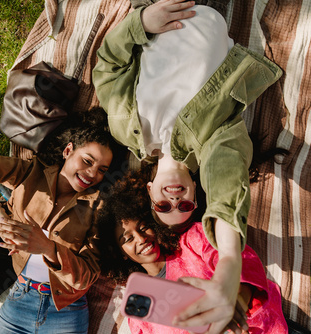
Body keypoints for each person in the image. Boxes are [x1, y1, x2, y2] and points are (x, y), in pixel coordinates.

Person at [92, 0, 282, 332]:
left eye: (163, 206)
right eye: (186, 204)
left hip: (155, 18)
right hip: (206, 17)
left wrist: (140, 22)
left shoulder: (125, 131)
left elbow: (109, 64)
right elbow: (227, 186)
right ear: (196, 187)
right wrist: (228, 266)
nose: (176, 198)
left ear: (149, 191)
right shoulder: (216, 139)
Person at [0, 108, 119, 333]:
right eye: (87, 161)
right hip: (18, 302)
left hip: (66, 313)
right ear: (68, 151)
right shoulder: (30, 173)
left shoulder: (98, 208)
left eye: (101, 169)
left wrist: (47, 247)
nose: (92, 173)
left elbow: (86, 276)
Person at [96, 171, 288, 334]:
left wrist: (237, 302)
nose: (141, 239)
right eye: (128, 239)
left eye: (144, 227)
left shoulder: (193, 240)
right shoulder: (140, 304)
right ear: (120, 252)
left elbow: (242, 261)